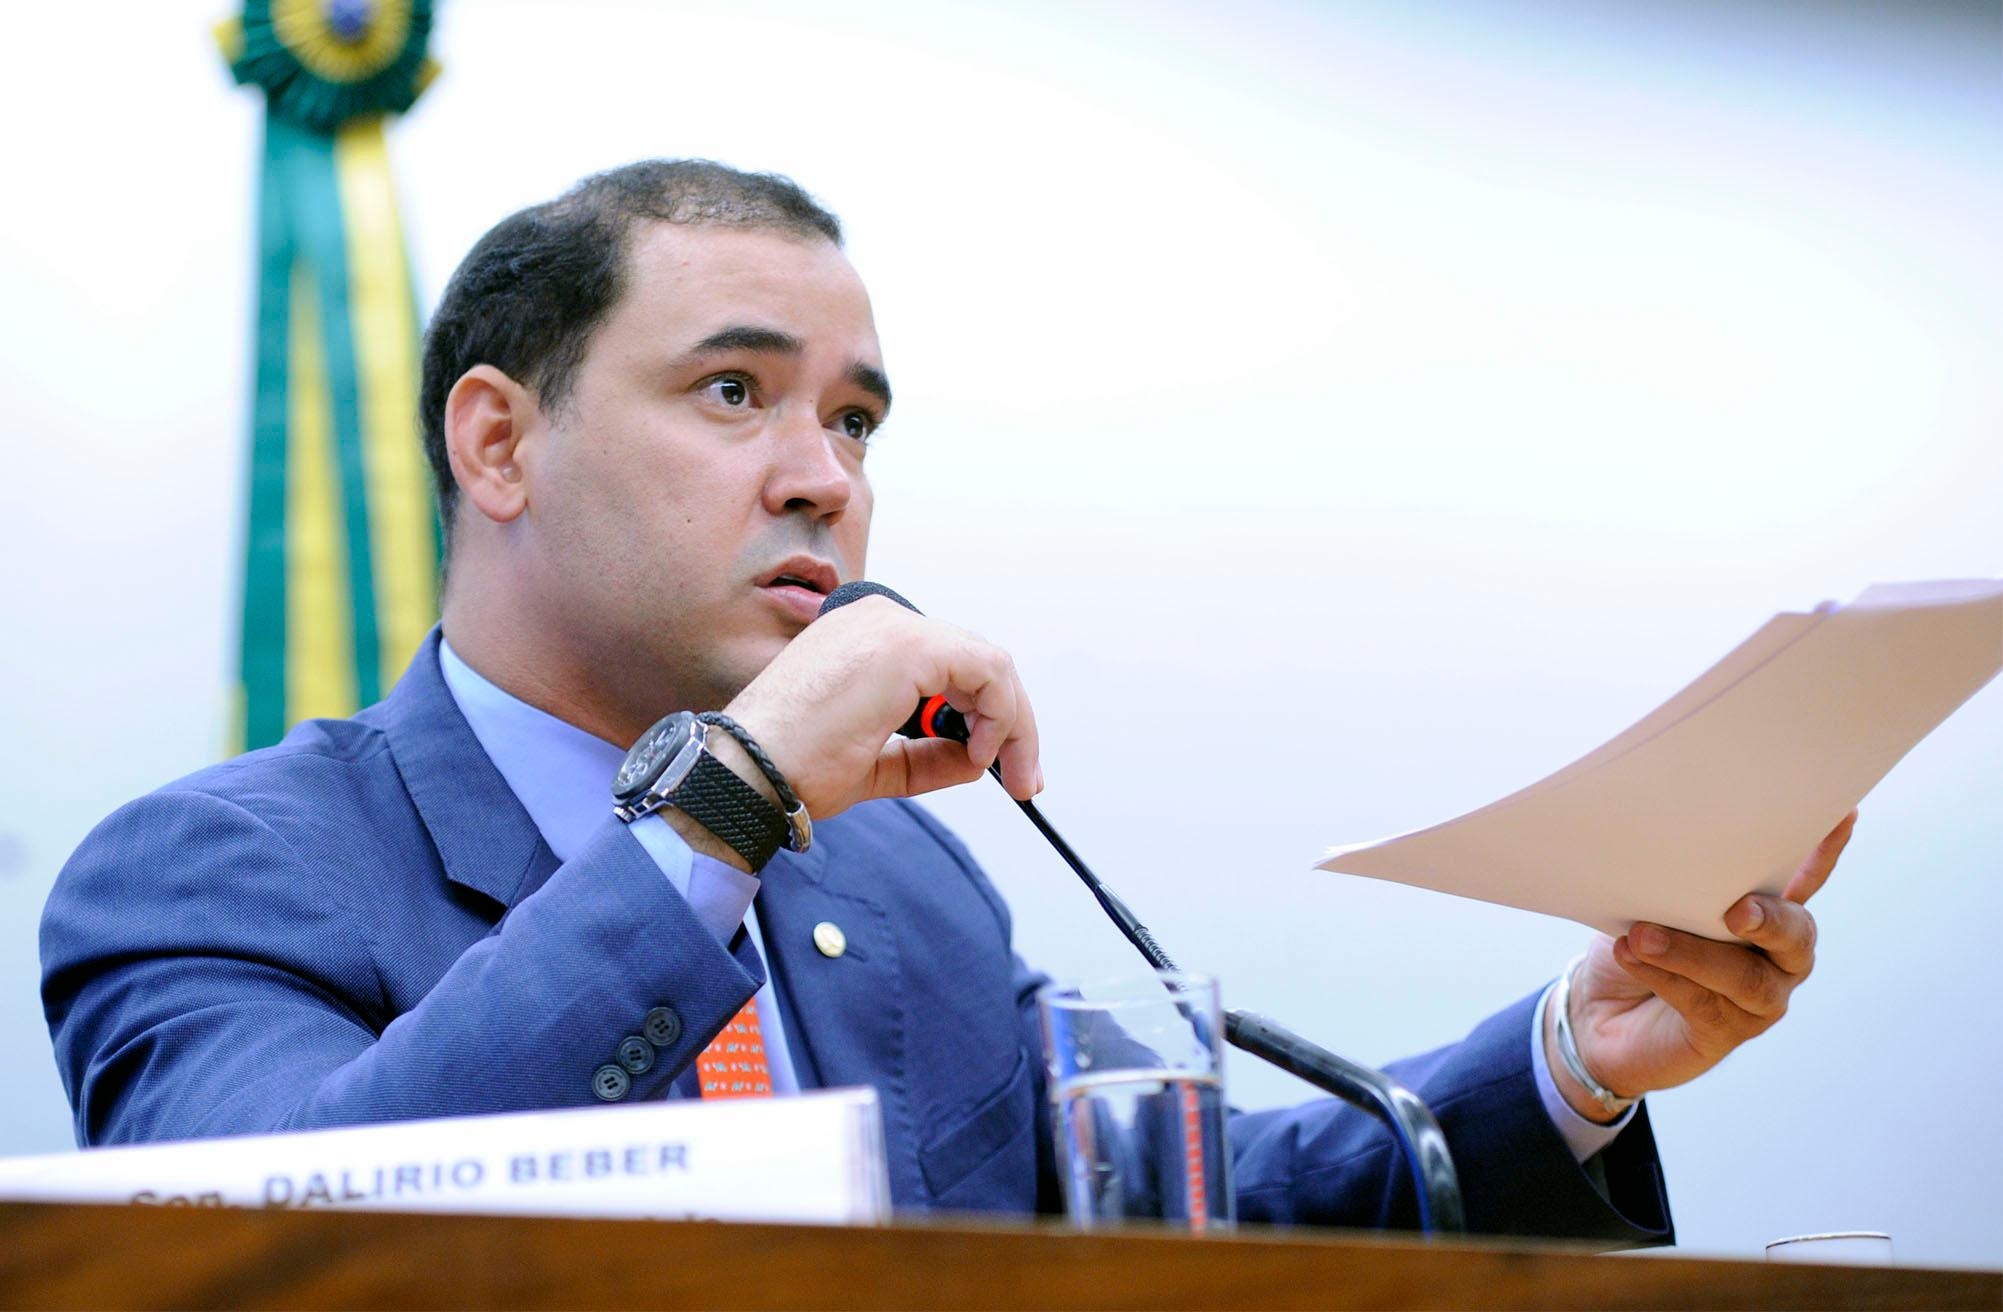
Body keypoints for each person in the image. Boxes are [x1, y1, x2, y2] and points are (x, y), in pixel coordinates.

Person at [41, 160, 1850, 1241]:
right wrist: (727, 804)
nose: (824, 477)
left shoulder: (899, 885)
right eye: (735, 393)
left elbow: (1185, 1211)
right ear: (500, 443)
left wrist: (1575, 1059)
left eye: (855, 419)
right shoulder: (216, 872)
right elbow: (270, 1245)